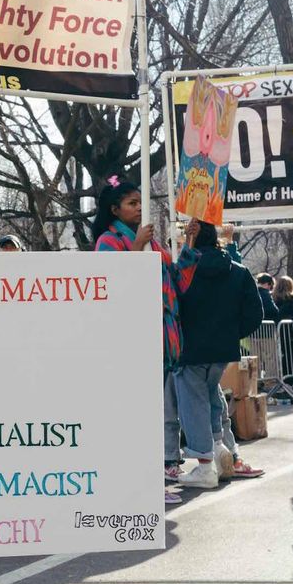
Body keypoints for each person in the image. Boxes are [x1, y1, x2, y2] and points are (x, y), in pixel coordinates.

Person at [90, 177, 199, 492]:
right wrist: (137, 247)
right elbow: (113, 285)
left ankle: (150, 481)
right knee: (134, 413)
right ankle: (134, 483)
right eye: (132, 204)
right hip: (130, 338)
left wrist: (189, 244)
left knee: (154, 411)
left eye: (141, 202)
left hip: (163, 336)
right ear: (115, 209)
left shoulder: (152, 242)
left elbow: (177, 282)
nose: (139, 209)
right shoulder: (109, 242)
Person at [173, 219, 263, 488]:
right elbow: (255, 314)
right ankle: (222, 449)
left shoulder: (186, 271)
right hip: (222, 350)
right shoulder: (238, 271)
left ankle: (204, 465)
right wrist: (231, 334)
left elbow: (173, 303)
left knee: (194, 405)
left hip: (189, 348)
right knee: (212, 398)